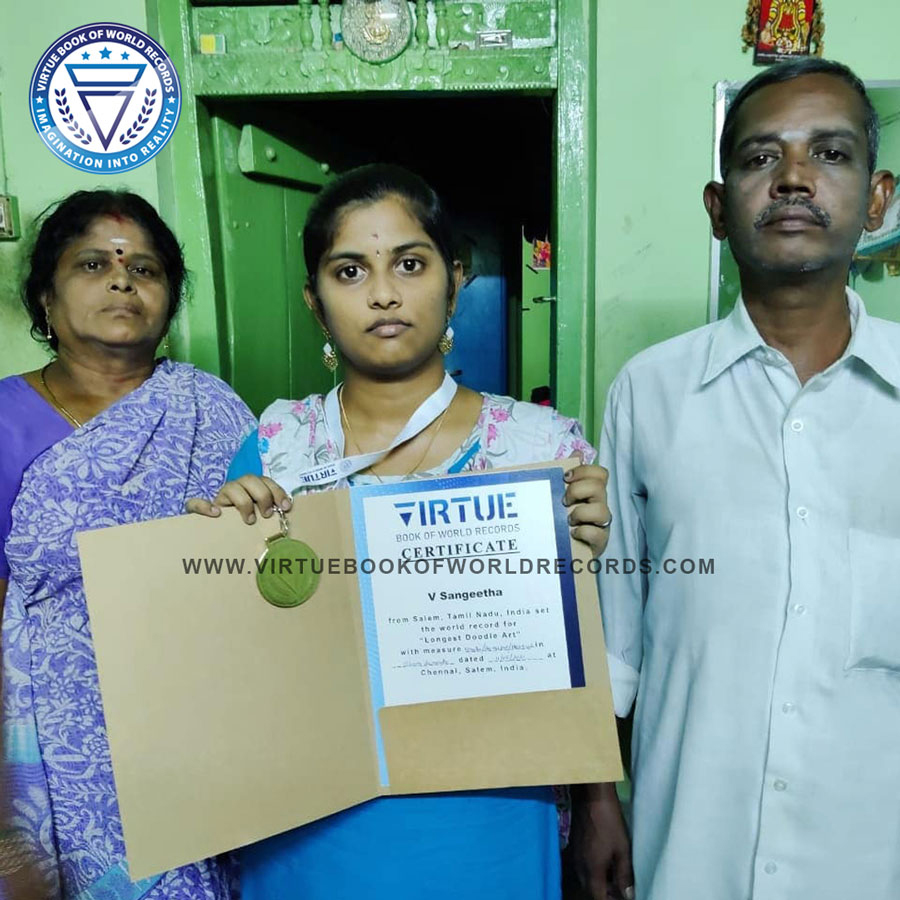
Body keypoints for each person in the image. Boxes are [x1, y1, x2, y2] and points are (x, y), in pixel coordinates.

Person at [188, 163, 627, 899]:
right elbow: (230, 660)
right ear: (315, 301)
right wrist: (215, 541)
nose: (384, 294)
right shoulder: (277, 446)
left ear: (454, 281)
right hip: (312, 821)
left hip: (488, 815)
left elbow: (580, 663)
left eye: (411, 264)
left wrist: (600, 805)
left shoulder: (537, 449)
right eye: (350, 270)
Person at [591, 58, 898, 899]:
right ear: (718, 208)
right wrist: (595, 804)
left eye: (831, 154)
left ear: (878, 199)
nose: (795, 178)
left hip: (870, 855)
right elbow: (617, 642)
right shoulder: (648, 393)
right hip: (690, 847)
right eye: (761, 158)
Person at [0, 190, 256, 899]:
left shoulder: (213, 410)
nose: (122, 280)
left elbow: (259, 582)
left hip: (198, 728)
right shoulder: (2, 419)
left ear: (170, 301)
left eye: (145, 269)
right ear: (45, 299)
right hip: (54, 745)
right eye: (92, 264)